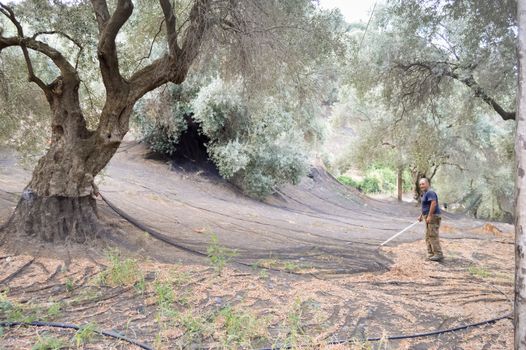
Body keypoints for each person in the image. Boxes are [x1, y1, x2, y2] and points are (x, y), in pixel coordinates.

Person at [417, 178, 443, 261]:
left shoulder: (430, 192)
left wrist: (429, 216)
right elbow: (426, 206)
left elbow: (433, 203)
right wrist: (421, 216)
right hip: (428, 216)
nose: (421, 186)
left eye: (423, 184)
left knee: (433, 235)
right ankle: (431, 253)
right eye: (420, 184)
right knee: (428, 236)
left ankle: (438, 254)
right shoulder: (424, 194)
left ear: (428, 184)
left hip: (433, 216)